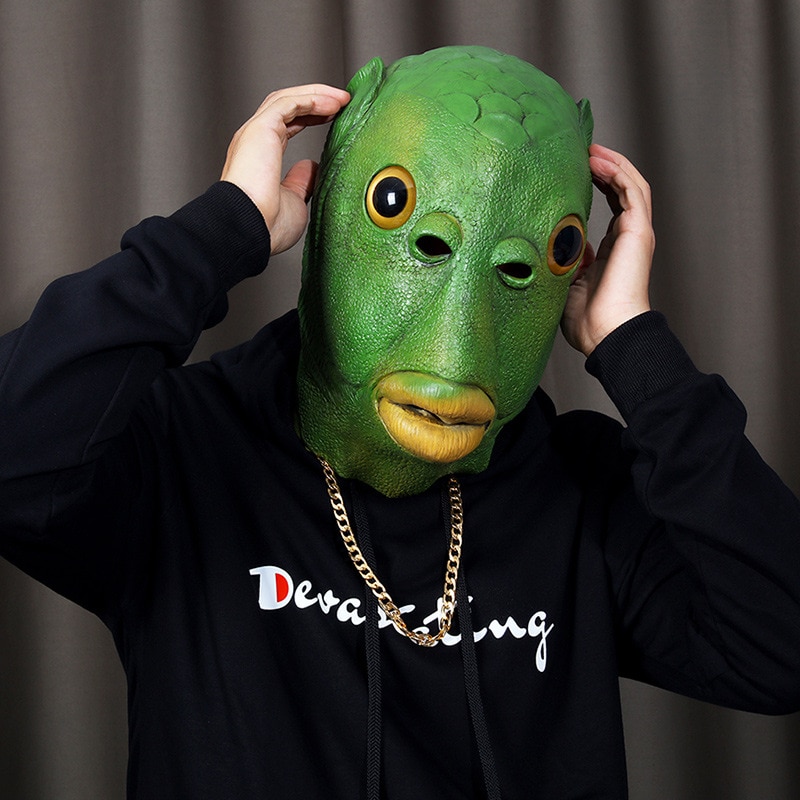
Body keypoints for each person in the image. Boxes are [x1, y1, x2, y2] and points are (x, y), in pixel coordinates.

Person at [1, 47, 799, 800]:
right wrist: (221, 231)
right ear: (324, 211)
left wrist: (636, 350)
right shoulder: (182, 452)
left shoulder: (583, 490)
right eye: (398, 210)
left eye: (539, 256)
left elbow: (782, 648)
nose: (458, 339)